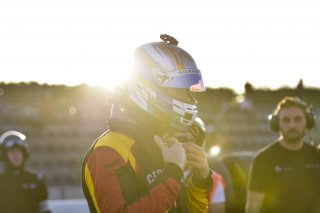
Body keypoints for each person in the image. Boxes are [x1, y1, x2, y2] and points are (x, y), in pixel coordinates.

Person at [82, 34, 214, 213]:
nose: (188, 98)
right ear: (147, 89)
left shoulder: (163, 142)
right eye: (179, 90)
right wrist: (173, 173)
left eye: (189, 90)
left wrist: (201, 180)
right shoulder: (107, 151)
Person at [245, 96, 320, 213]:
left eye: (297, 119)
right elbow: (253, 209)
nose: (292, 126)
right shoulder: (263, 159)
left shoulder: (317, 155)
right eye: (286, 120)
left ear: (308, 122)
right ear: (276, 124)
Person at [180, 117, 226, 213]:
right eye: (182, 140)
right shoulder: (156, 173)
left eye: (193, 141)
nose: (188, 146)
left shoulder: (215, 180)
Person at [0, 130, 51, 213]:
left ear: (24, 153)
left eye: (18, 151)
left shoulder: (37, 180)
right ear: (4, 155)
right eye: (12, 152)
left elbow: (44, 210)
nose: (16, 155)